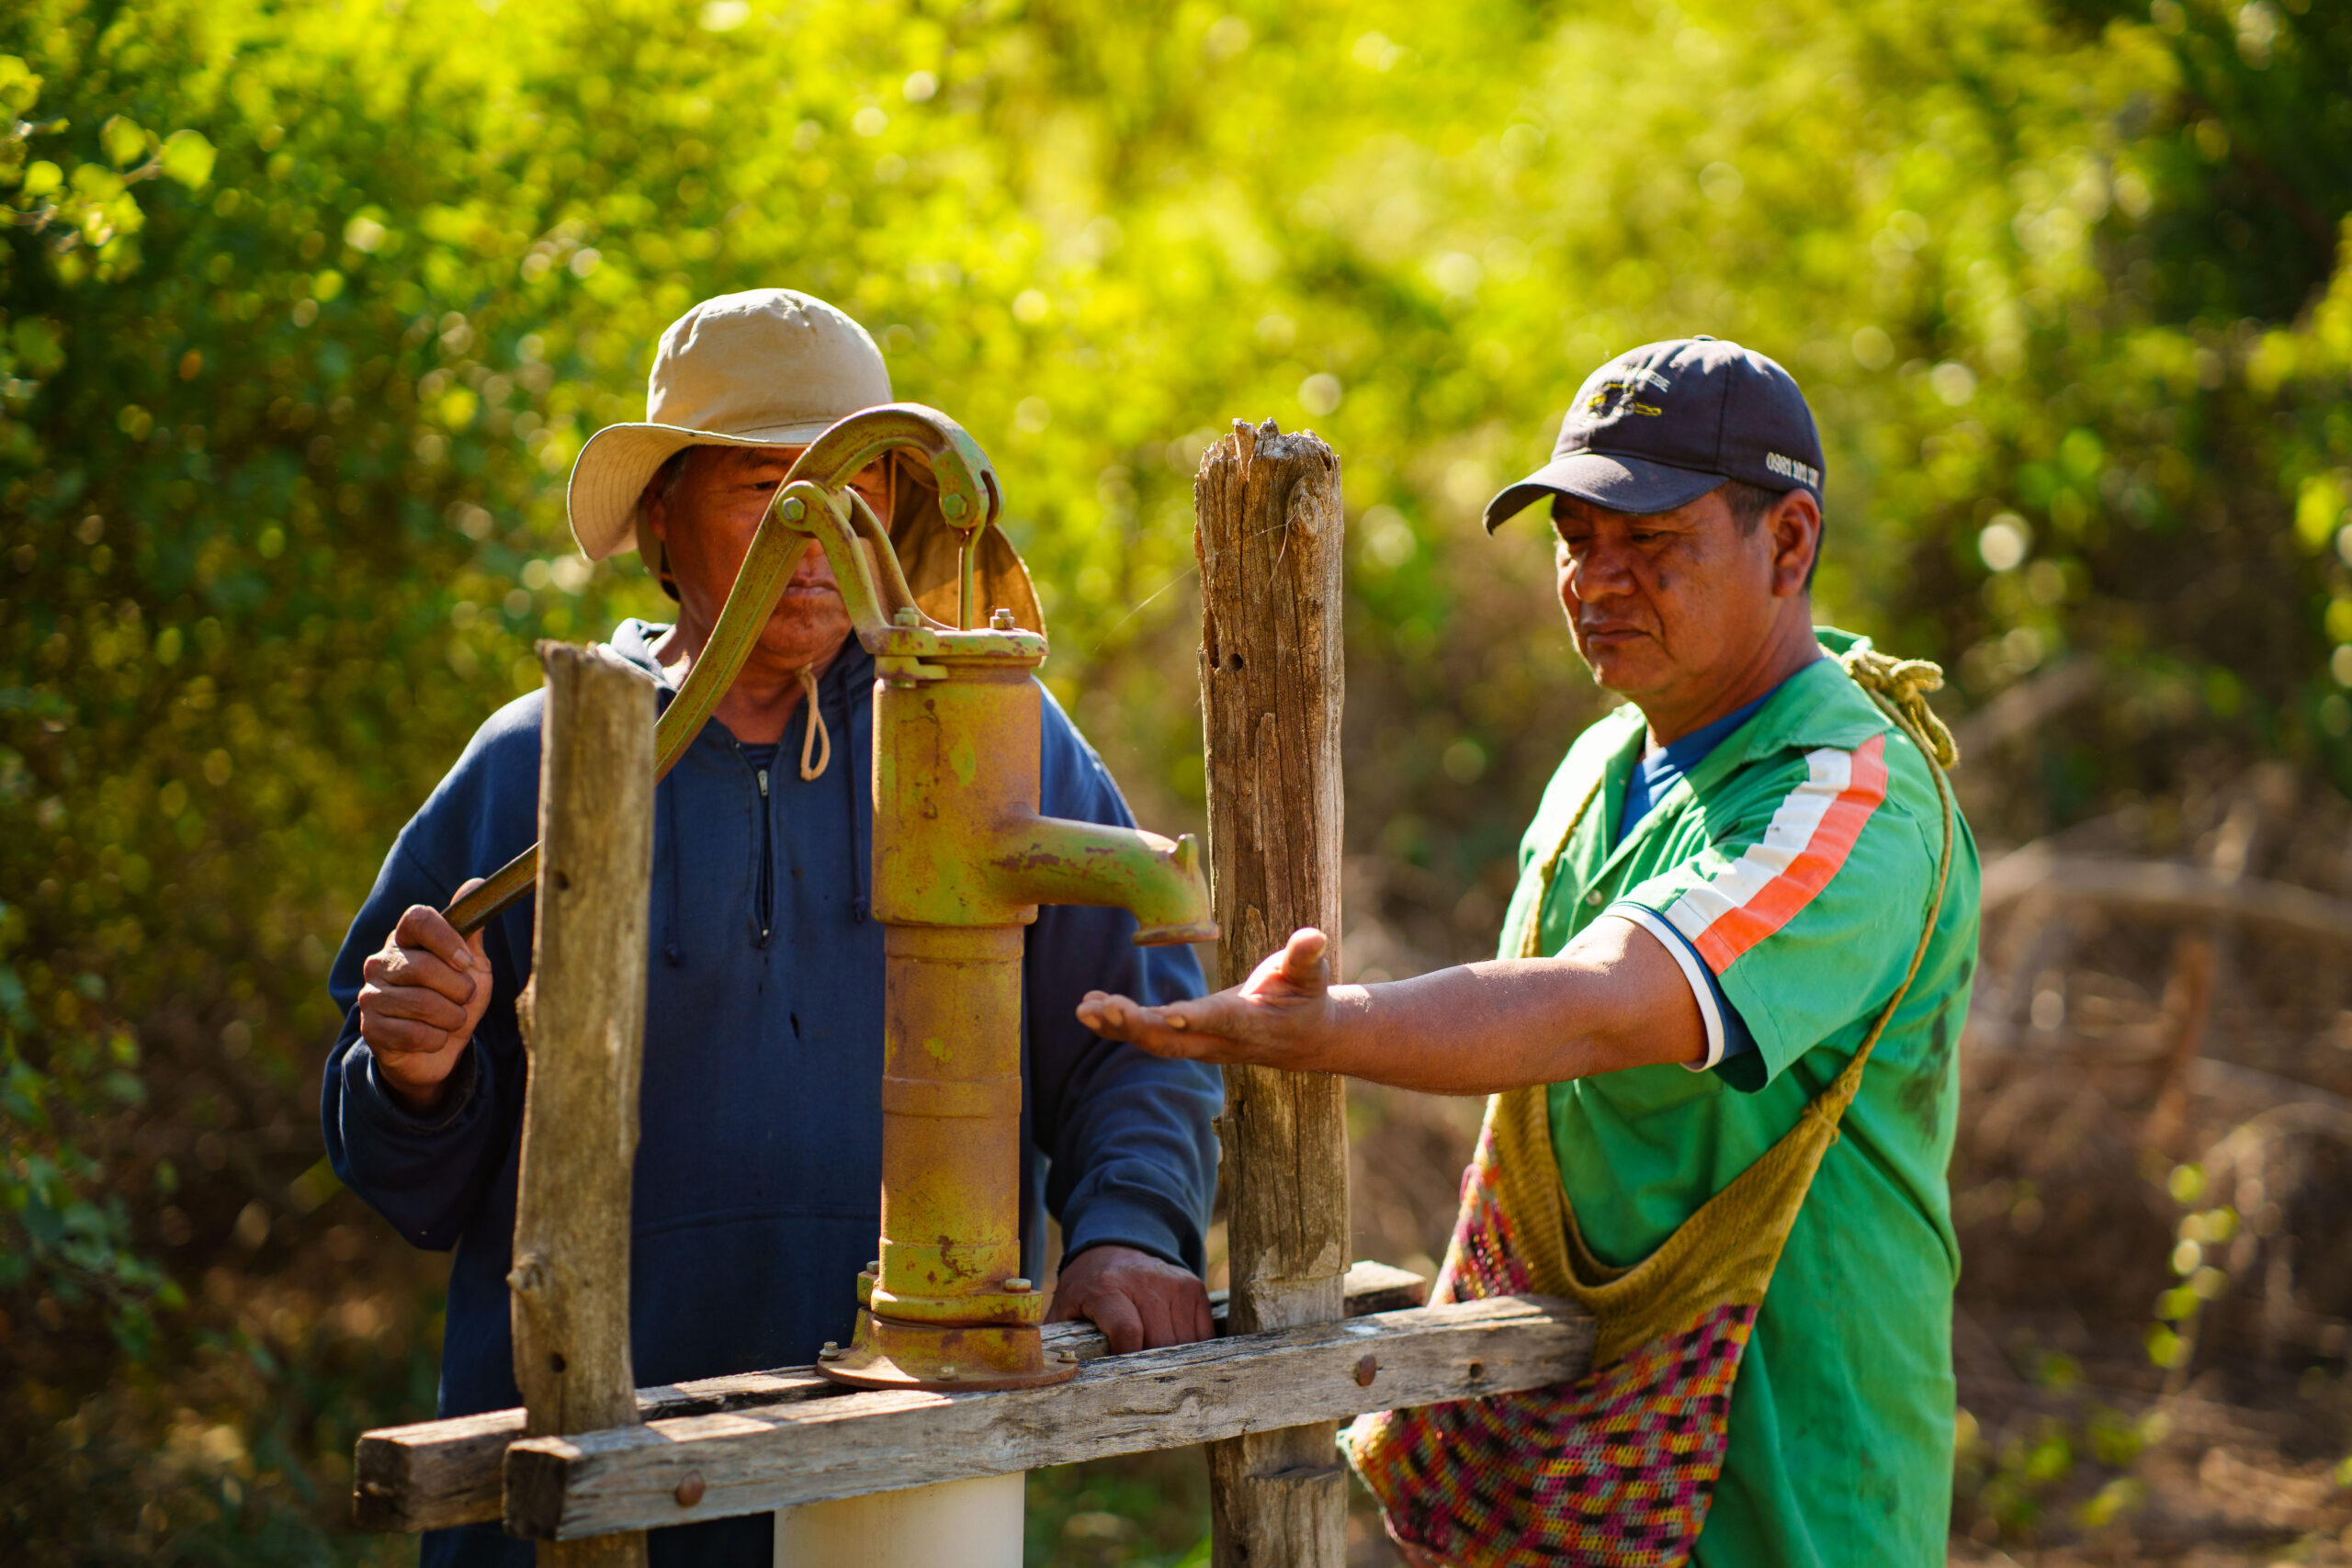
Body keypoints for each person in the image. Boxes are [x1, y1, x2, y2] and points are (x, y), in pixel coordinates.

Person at [322, 289, 1222, 1568]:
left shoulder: (984, 745)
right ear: (661, 522)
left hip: (901, 1470)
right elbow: (401, 1169)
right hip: (595, 1476)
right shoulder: (545, 759)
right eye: (765, 490)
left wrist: (1133, 1226)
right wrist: (416, 1076)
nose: (817, 539)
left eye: (852, 496)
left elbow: (1136, 1033)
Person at [1080, 338, 1982, 1566]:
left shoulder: (1852, 798)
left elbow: (1603, 1007)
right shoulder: (1596, 773)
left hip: (1792, 1489)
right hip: (1579, 1466)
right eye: (1576, 541)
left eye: (1653, 543)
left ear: (1789, 544)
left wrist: (1333, 1030)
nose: (1595, 581)